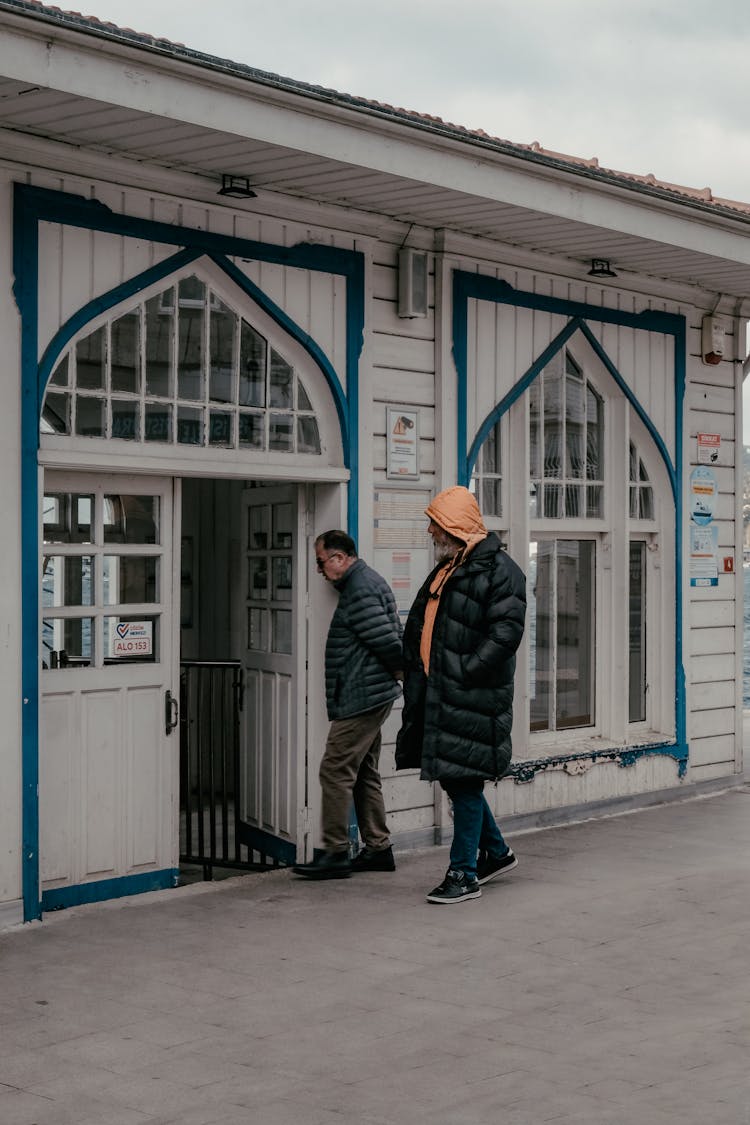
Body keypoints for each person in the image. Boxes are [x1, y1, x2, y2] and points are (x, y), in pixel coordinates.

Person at [395, 486, 526, 904]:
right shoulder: (448, 568)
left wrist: (464, 672)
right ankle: (497, 852)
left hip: (470, 696)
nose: (432, 532)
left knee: (465, 783)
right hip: (440, 694)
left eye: (436, 525)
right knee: (457, 780)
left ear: (455, 527)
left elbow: (505, 635)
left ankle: (463, 872)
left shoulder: (500, 571)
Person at [293, 530, 403, 880]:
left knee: (334, 769)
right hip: (369, 692)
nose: (320, 569)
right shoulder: (363, 583)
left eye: (321, 562)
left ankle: (335, 851)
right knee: (364, 772)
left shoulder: (360, 588)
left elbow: (387, 641)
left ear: (339, 558)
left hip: (363, 696)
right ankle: (378, 848)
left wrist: (401, 674)